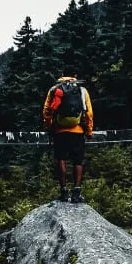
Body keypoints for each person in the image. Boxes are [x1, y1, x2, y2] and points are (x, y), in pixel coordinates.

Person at [42, 65, 93, 203]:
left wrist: (49, 127)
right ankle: (76, 192)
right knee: (78, 161)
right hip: (78, 131)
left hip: (59, 131)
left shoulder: (54, 89)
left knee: (61, 159)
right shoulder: (82, 90)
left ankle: (64, 191)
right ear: (75, 76)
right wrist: (88, 131)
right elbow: (88, 113)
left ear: (62, 75)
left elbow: (47, 111)